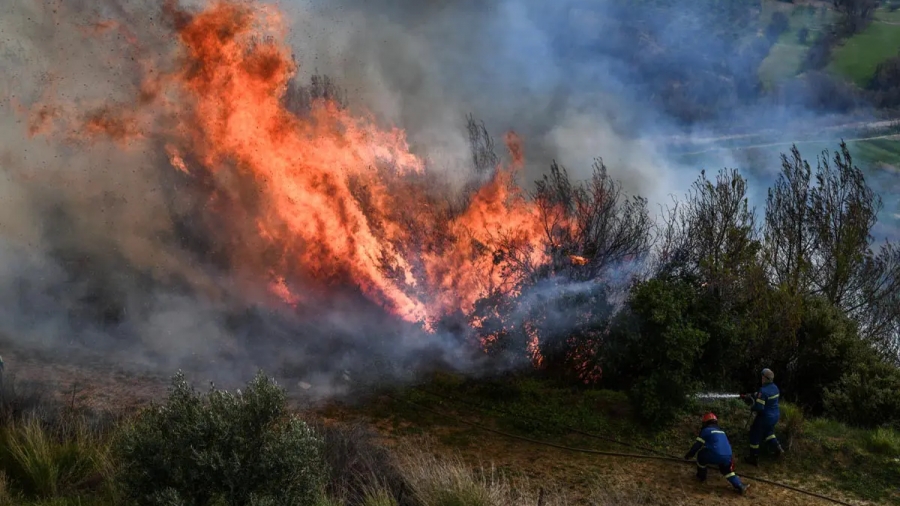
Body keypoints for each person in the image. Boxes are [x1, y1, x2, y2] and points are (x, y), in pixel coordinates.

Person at [684, 412, 750, 495]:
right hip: (728, 456)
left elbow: (697, 445)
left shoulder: (706, 431)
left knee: (701, 455)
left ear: (705, 422)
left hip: (714, 454)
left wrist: (690, 454)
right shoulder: (722, 432)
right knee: (727, 471)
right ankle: (740, 485)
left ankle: (701, 476)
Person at [742, 367, 785, 466]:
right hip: (775, 416)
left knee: (754, 434)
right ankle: (778, 448)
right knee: (768, 432)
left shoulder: (763, 391)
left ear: (765, 378)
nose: (761, 378)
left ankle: (753, 457)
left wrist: (752, 407)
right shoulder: (775, 387)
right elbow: (763, 395)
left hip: (765, 417)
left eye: (762, 377)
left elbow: (759, 407)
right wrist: (754, 395)